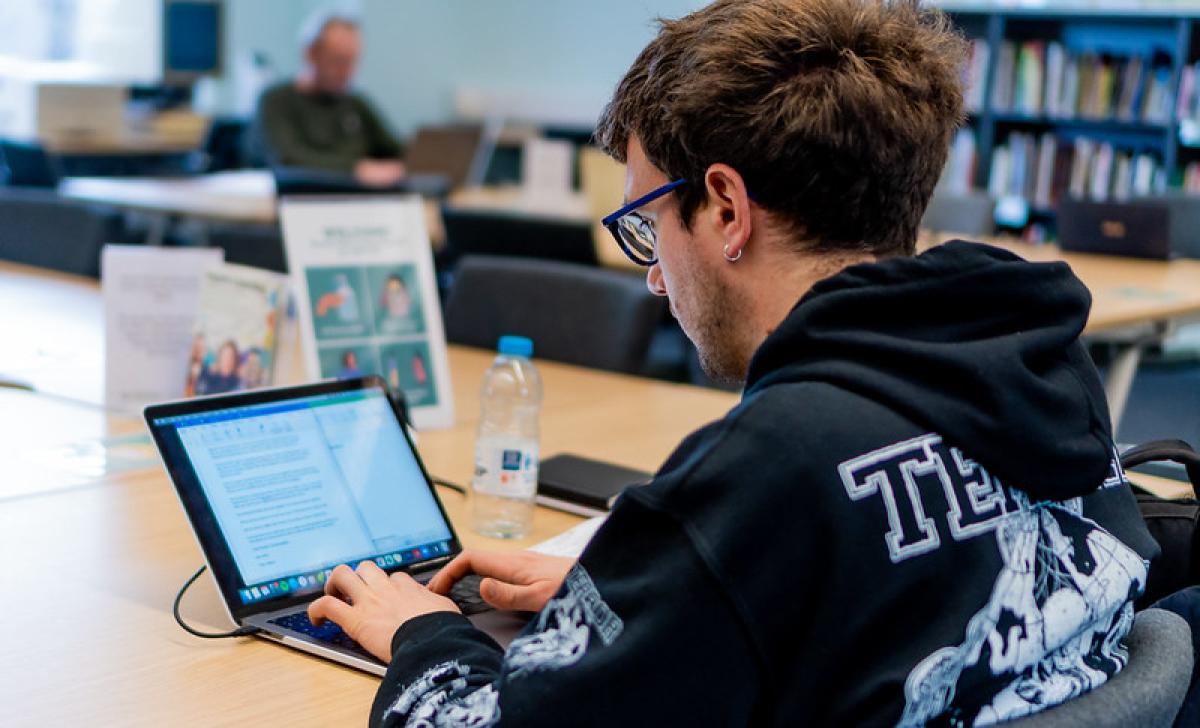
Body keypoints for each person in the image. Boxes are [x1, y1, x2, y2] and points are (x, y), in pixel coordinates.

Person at [307, 1, 1159, 725]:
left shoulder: (771, 463)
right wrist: (659, 593)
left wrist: (422, 631)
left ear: (724, 209)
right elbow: (922, 566)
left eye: (646, 221)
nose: (650, 273)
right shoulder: (1040, 361)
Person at [248, 10, 406, 187]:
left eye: (352, 61)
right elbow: (287, 158)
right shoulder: (275, 100)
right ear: (310, 54)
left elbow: (398, 151)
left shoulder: (356, 103)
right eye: (338, 60)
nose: (347, 71)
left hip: (362, 200)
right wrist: (355, 169)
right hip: (302, 199)